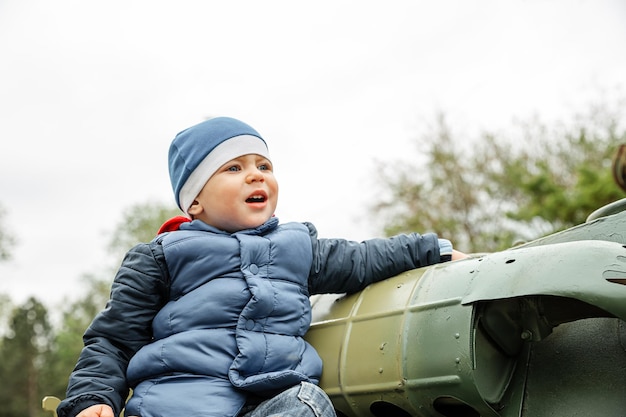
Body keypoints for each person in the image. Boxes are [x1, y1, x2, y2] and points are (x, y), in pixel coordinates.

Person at [58, 116, 467, 417]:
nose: (256, 175)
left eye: (263, 166)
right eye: (234, 168)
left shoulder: (296, 249)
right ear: (194, 200)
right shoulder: (161, 256)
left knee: (309, 403)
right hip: (179, 403)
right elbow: (113, 340)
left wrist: (433, 250)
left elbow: (362, 259)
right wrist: (93, 398)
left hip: (270, 404)